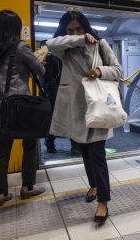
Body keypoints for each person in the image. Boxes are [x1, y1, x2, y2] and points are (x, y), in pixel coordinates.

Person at [36, 11, 121, 223]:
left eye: (79, 29)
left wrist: (100, 71)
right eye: (70, 30)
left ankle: (103, 201)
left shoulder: (101, 45)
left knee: (97, 154)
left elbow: (117, 70)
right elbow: (51, 43)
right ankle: (93, 185)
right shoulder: (65, 49)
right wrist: (79, 38)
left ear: (86, 27)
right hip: (77, 109)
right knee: (84, 151)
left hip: (99, 107)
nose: (75, 33)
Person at [0, 10, 46, 207]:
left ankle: (0, 194)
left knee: (1, 152)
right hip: (22, 107)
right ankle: (28, 188)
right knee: (30, 145)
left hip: (0, 107)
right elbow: (40, 70)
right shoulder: (20, 48)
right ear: (15, 29)